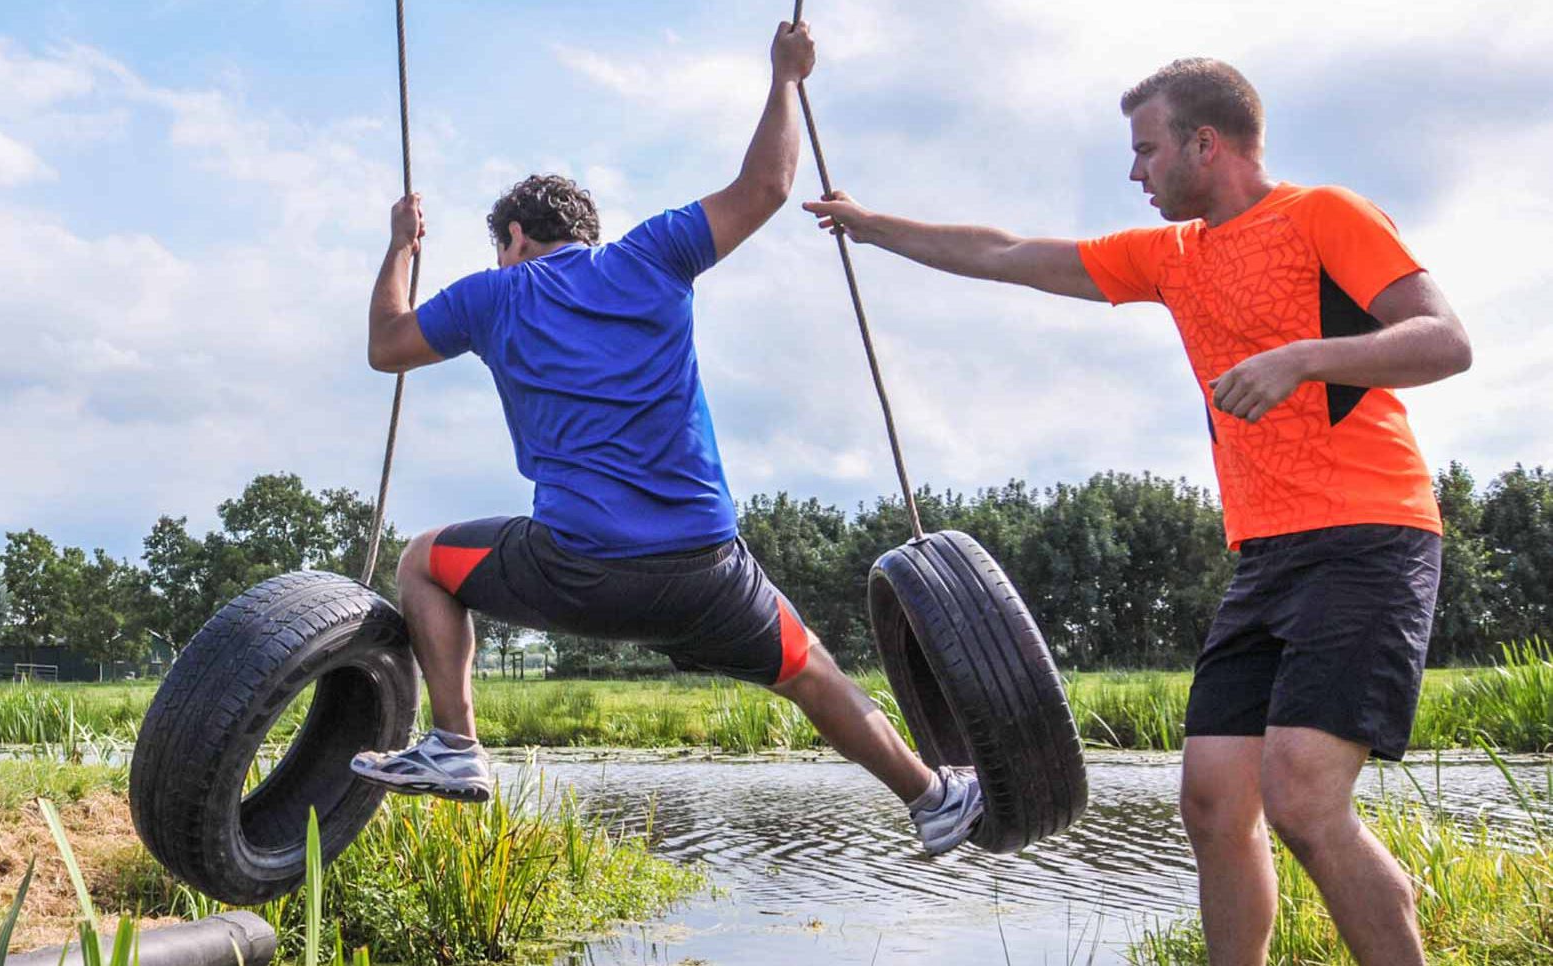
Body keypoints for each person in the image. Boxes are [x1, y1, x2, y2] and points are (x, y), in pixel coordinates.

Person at [802, 59, 1469, 966]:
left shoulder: (1324, 215)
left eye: (1146, 150)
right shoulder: (1172, 256)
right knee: (1210, 802)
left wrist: (1303, 359)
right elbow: (1009, 254)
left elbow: (1444, 340)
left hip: (1369, 537)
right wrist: (872, 226)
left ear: (1206, 143)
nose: (1135, 172)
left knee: (1305, 802)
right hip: (1265, 555)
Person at [349, 20, 983, 856]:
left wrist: (400, 248)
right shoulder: (649, 257)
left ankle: (458, 744)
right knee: (813, 674)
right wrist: (785, 79)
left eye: (501, 248)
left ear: (513, 239)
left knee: (423, 563)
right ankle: (934, 798)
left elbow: (386, 346)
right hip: (706, 573)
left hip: (577, 567)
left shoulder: (491, 297)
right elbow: (766, 187)